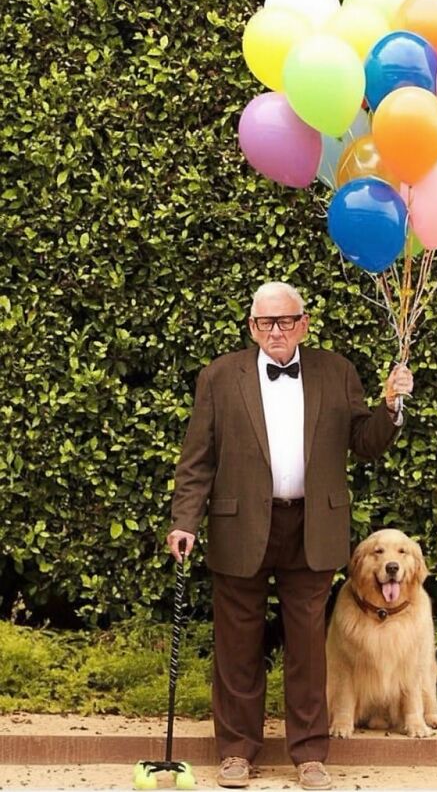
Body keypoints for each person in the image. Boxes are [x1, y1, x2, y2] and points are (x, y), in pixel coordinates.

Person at [167, 281, 413, 790]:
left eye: (284, 321)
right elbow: (198, 459)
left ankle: (309, 754)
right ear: (252, 327)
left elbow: (364, 442)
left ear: (303, 323)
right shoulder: (219, 376)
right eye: (264, 323)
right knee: (237, 645)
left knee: (307, 647)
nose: (274, 331)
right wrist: (184, 520)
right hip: (241, 526)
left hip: (313, 525)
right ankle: (236, 752)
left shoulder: (335, 370)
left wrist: (390, 407)